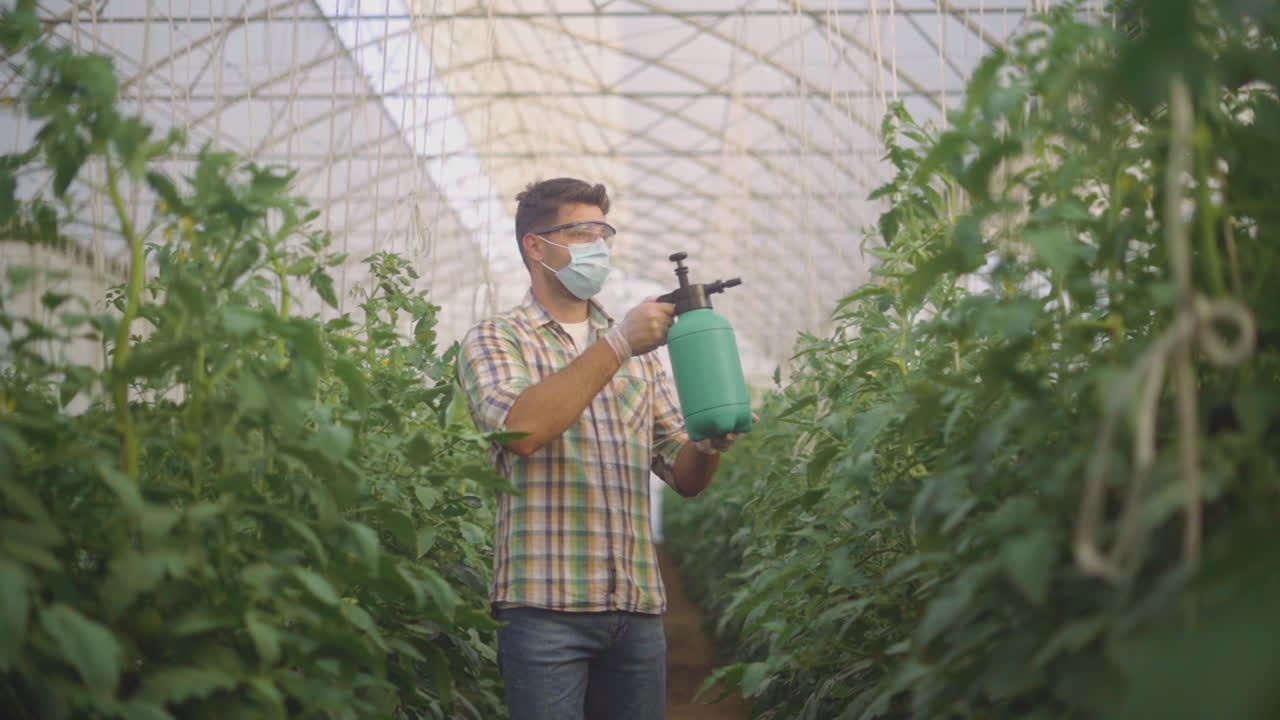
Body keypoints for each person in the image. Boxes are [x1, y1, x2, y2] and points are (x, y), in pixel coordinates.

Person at [457, 177, 743, 720]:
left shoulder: (639, 352)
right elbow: (522, 431)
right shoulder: (496, 339)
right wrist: (616, 345)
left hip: (636, 609)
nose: (599, 247)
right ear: (536, 246)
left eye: (604, 233)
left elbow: (684, 477)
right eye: (582, 233)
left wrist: (709, 443)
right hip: (545, 611)